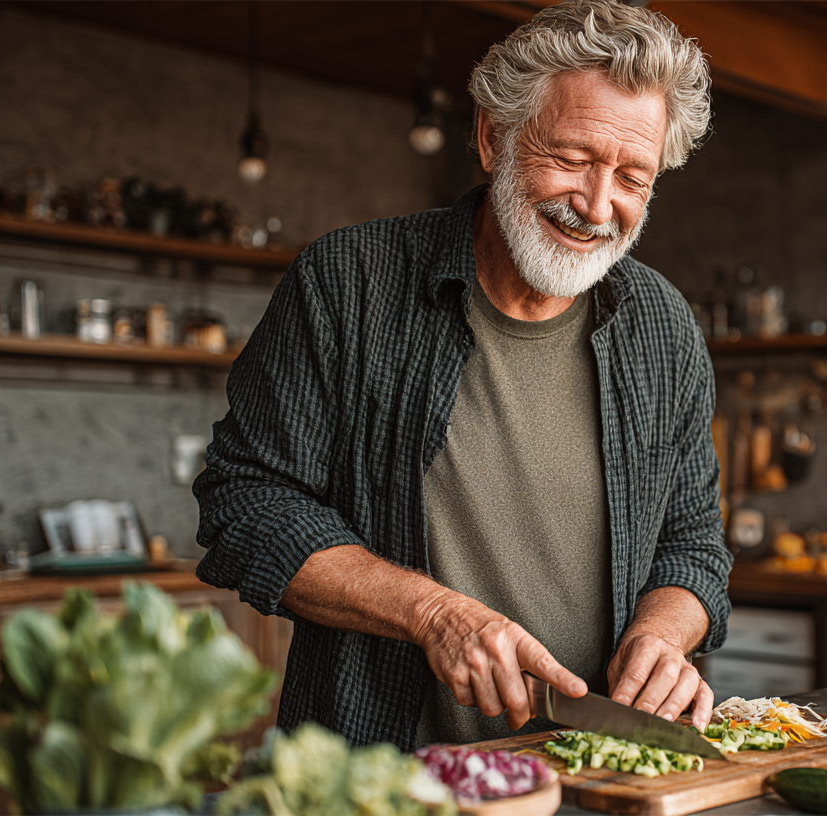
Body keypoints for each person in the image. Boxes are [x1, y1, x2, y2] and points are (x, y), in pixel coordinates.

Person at [193, 0, 731, 750]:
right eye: (572, 158)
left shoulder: (665, 328)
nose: (597, 205)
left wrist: (664, 634)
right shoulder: (347, 283)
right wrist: (433, 613)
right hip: (377, 777)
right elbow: (244, 502)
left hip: (594, 776)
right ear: (491, 137)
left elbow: (693, 541)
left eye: (633, 177)